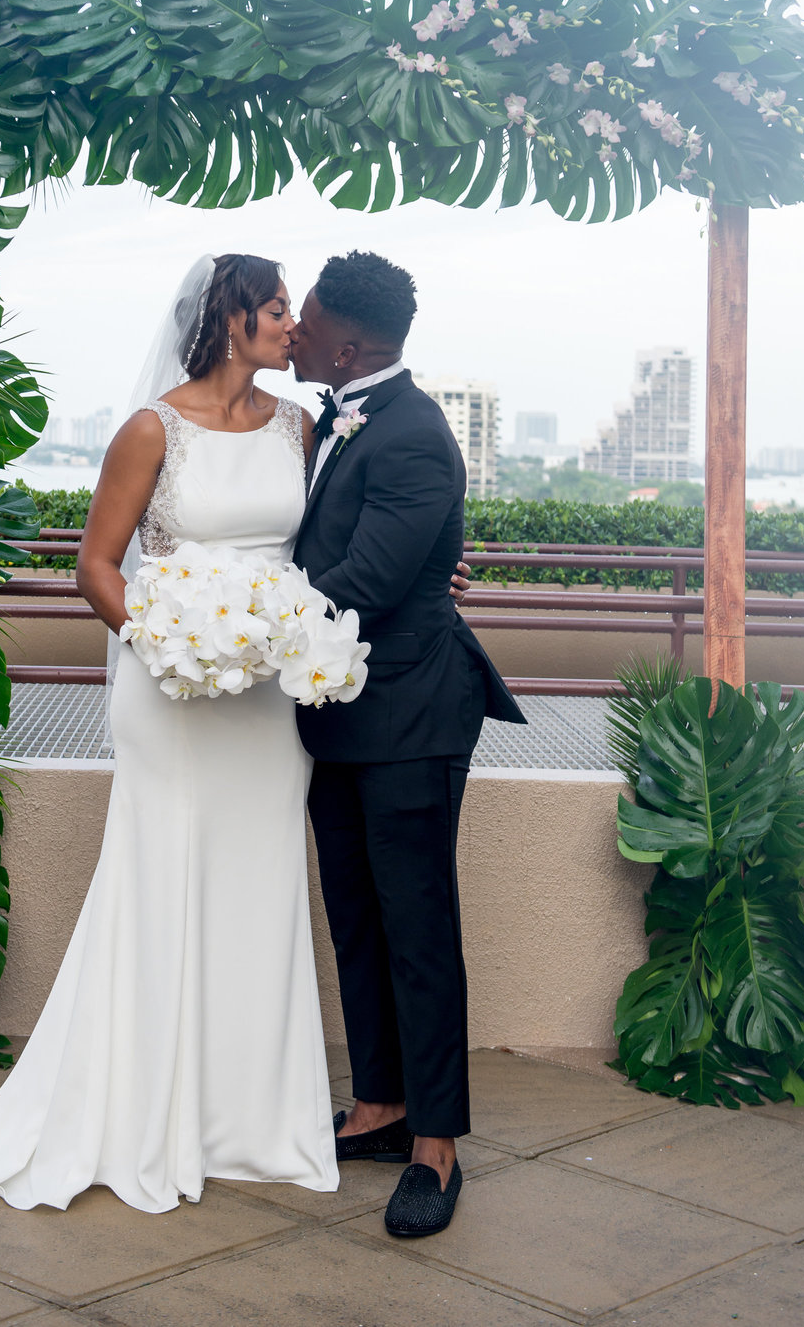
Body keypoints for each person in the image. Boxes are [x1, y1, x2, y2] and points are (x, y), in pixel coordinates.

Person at [0, 254, 340, 1211]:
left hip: (264, 702)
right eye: (279, 308)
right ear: (230, 319)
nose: (294, 324)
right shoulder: (149, 429)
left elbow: (332, 546)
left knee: (259, 888)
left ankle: (248, 1121)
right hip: (174, 689)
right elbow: (96, 565)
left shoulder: (301, 426)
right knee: (162, 878)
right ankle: (143, 1113)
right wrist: (166, 646)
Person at [289, 250, 524, 1240]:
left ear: (347, 343)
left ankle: (437, 1146)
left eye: (302, 322)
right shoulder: (344, 419)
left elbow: (367, 580)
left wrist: (224, 610)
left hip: (413, 718)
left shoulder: (417, 435)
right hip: (339, 714)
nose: (290, 334)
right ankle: (381, 1104)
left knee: (419, 932)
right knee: (358, 918)